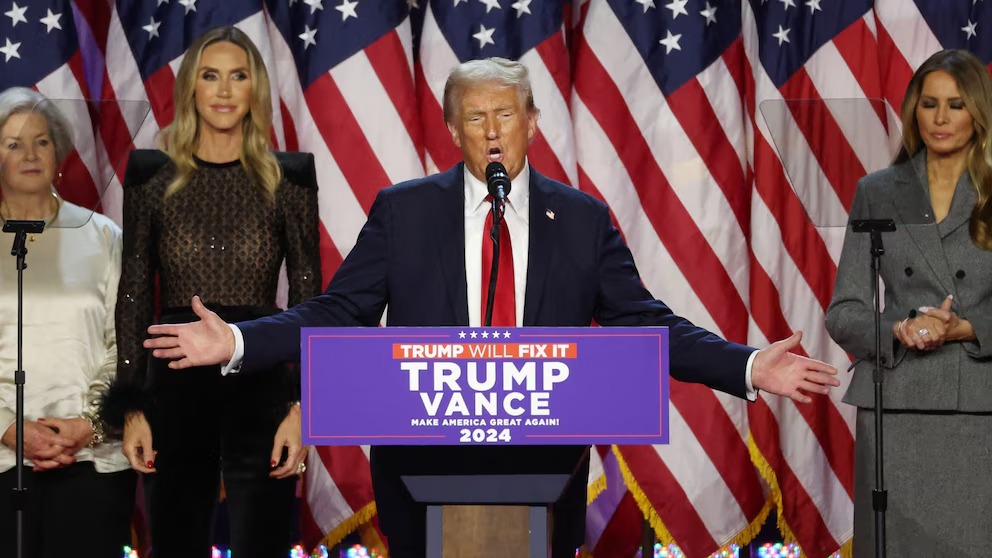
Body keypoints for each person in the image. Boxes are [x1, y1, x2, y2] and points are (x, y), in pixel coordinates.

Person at [145, 57, 840, 558]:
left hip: (545, 469)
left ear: (532, 122)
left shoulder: (583, 220)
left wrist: (747, 366)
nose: (492, 129)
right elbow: (337, 312)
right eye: (475, 117)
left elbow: (644, 320)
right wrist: (239, 341)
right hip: (421, 468)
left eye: (506, 113)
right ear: (454, 130)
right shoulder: (405, 212)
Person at [99, 27, 322, 558]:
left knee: (263, 544)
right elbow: (134, 292)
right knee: (175, 543)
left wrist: (301, 407)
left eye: (237, 76)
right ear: (191, 88)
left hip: (262, 380)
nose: (224, 90)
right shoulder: (151, 176)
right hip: (173, 383)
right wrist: (133, 406)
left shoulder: (289, 178)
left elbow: (309, 295)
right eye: (210, 76)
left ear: (254, 88)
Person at [825, 48, 992, 556]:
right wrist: (897, 328)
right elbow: (844, 312)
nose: (940, 118)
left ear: (978, 113)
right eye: (929, 103)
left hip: (979, 406)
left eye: (956, 105)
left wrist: (965, 328)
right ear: (913, 110)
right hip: (896, 408)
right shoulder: (877, 191)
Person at [0, 87, 135, 556]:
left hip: (91, 462)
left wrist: (89, 424)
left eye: (41, 141)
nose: (30, 154)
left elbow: (125, 344)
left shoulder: (104, 237)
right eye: (13, 143)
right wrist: (8, 427)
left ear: (58, 153)